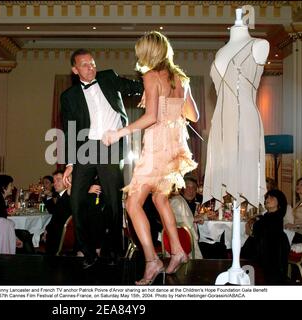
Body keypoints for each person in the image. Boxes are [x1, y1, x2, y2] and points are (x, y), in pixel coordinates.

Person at [103, 31, 199, 284]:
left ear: (148, 52)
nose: (138, 56)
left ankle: (152, 260)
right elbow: (194, 116)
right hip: (175, 145)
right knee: (159, 199)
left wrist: (118, 133)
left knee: (132, 204)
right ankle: (178, 251)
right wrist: (174, 108)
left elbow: (152, 117)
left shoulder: (151, 76)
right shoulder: (180, 78)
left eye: (140, 51)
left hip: (157, 146)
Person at [61, 48, 144, 268]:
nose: (91, 67)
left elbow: (135, 88)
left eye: (93, 63)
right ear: (75, 69)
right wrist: (69, 163)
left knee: (113, 202)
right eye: (85, 64)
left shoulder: (108, 77)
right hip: (85, 148)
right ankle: (87, 252)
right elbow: (69, 130)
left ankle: (114, 252)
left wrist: (154, 80)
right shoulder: (69, 96)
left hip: (110, 144)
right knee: (76, 199)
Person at [203, 9, 269, 212]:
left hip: (244, 122)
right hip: (221, 125)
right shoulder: (220, 53)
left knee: (242, 177)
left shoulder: (259, 45)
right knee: (224, 176)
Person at [241, 189, 290, 284]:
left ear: (279, 202)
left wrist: (251, 228)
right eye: (267, 197)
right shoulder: (268, 216)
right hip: (264, 251)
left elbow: (259, 233)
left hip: (270, 255)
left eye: (271, 197)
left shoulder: (275, 217)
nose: (268, 199)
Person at [0, 175, 34, 254]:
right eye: (10, 185)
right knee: (24, 235)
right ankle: (31, 260)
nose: (12, 188)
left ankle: (29, 260)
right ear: (3, 187)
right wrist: (15, 239)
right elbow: (2, 226)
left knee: (24, 235)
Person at [43, 170, 72, 255]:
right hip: (57, 234)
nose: (55, 183)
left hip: (59, 239)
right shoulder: (62, 197)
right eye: (54, 181)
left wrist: (47, 231)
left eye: (58, 180)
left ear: (67, 180)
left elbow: (60, 220)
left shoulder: (67, 198)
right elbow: (55, 214)